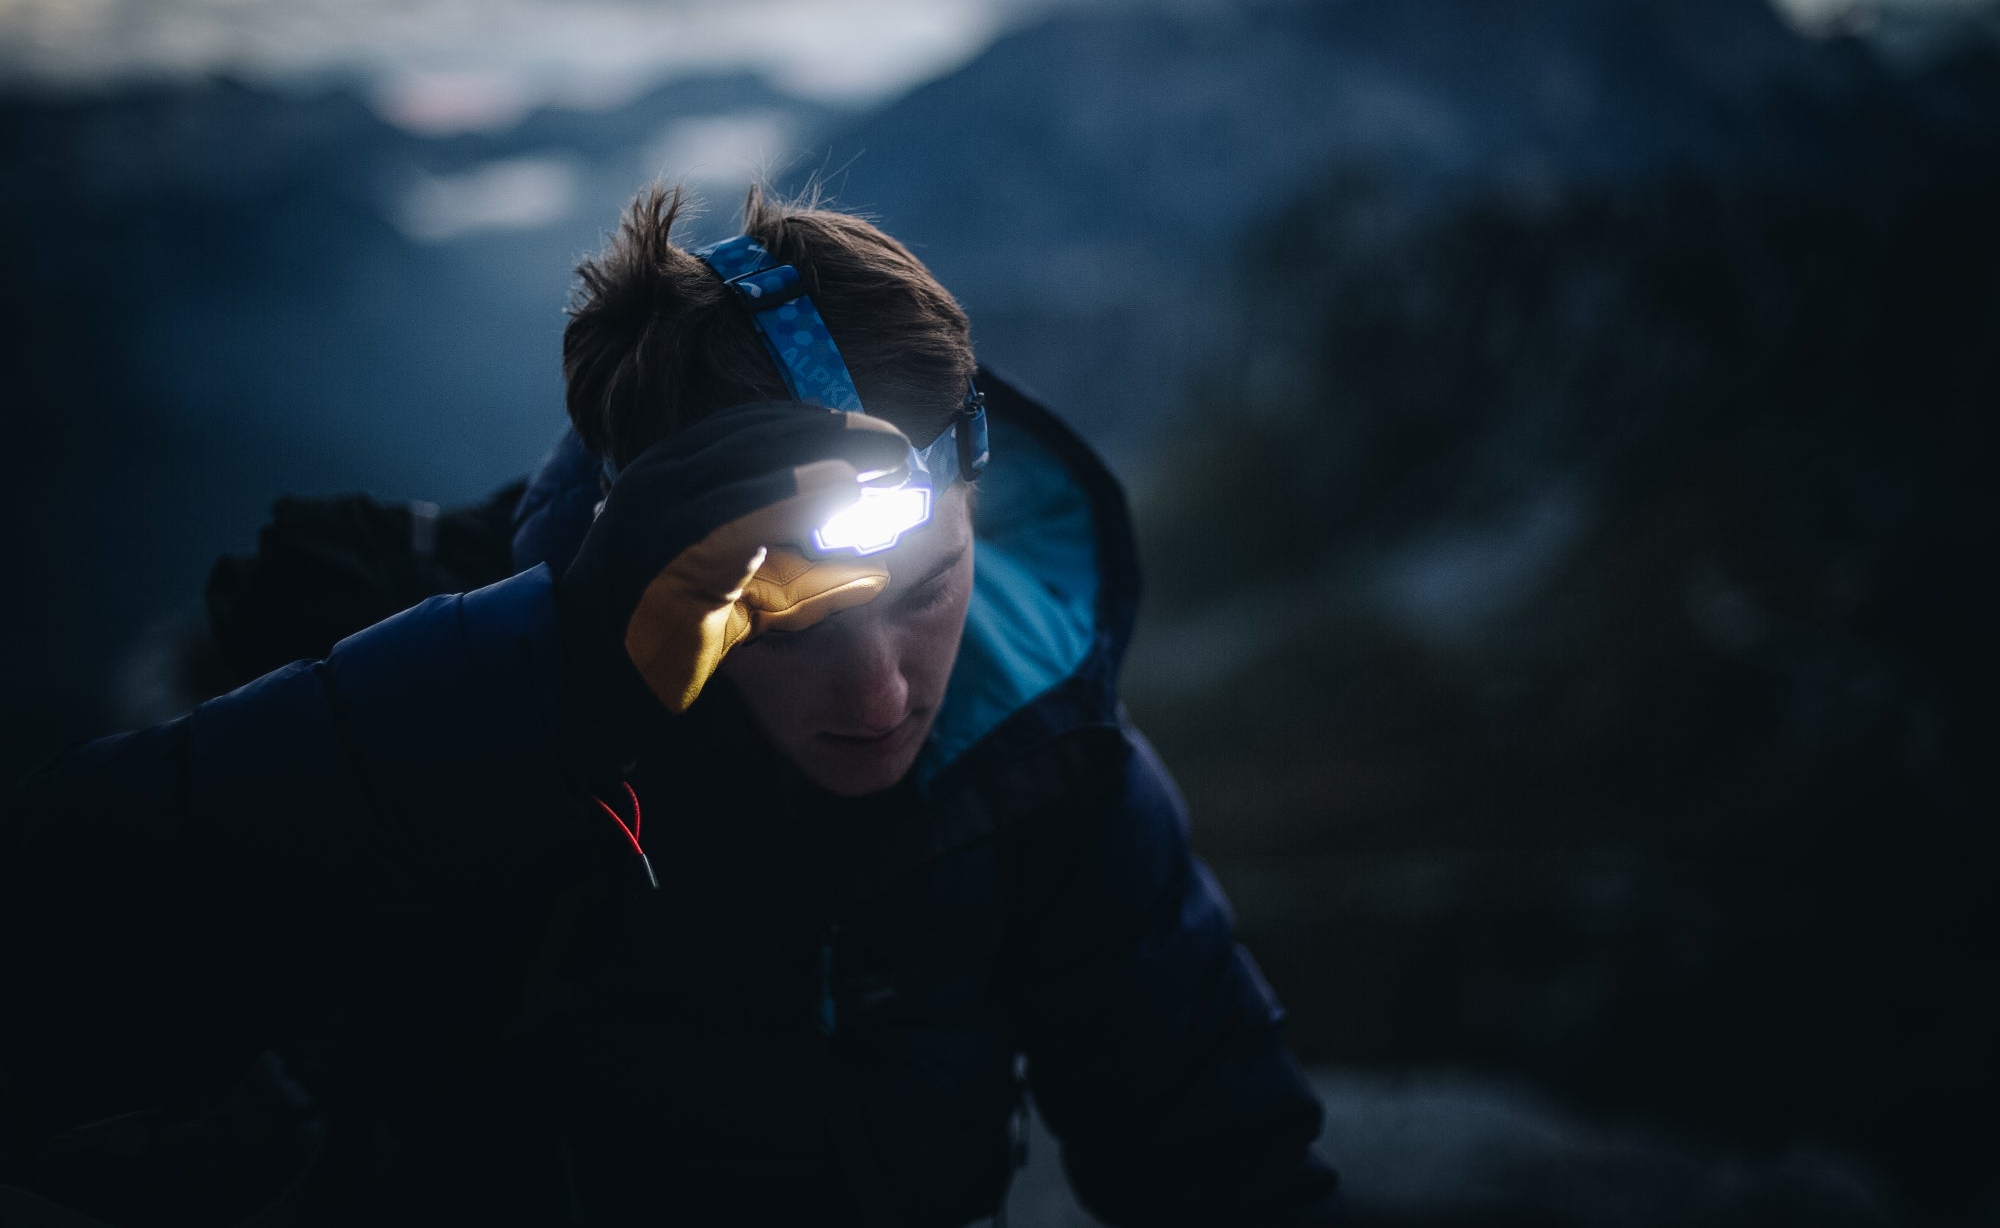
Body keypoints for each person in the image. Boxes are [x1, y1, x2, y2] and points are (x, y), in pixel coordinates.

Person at [1, 183, 1343, 1226]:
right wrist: (552, 683)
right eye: (791, 620)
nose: (883, 692)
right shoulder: (511, 710)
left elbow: (1225, 1167)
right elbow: (69, 947)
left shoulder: (1048, 755)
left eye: (929, 585)